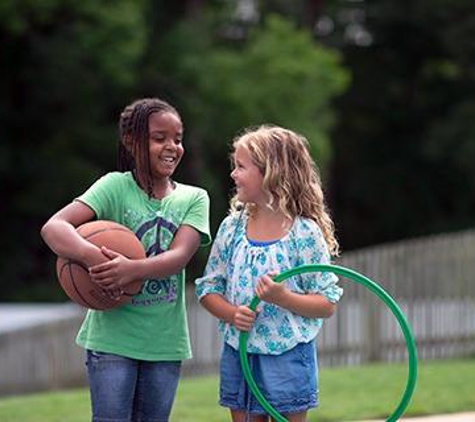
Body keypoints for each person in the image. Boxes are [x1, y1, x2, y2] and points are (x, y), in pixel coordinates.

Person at [41, 97, 211, 422]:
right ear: (131, 142)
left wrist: (130, 270)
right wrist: (91, 256)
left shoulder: (194, 197)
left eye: (178, 138)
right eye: (159, 138)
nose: (171, 146)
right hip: (111, 340)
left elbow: (179, 256)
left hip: (164, 342)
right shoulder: (114, 187)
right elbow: (54, 227)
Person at [195, 125, 343, 422]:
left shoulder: (304, 232)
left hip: (287, 355)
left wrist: (284, 297)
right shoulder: (232, 228)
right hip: (240, 350)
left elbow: (327, 303)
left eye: (240, 167)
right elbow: (207, 289)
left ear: (270, 172)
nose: (233, 174)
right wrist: (232, 313)